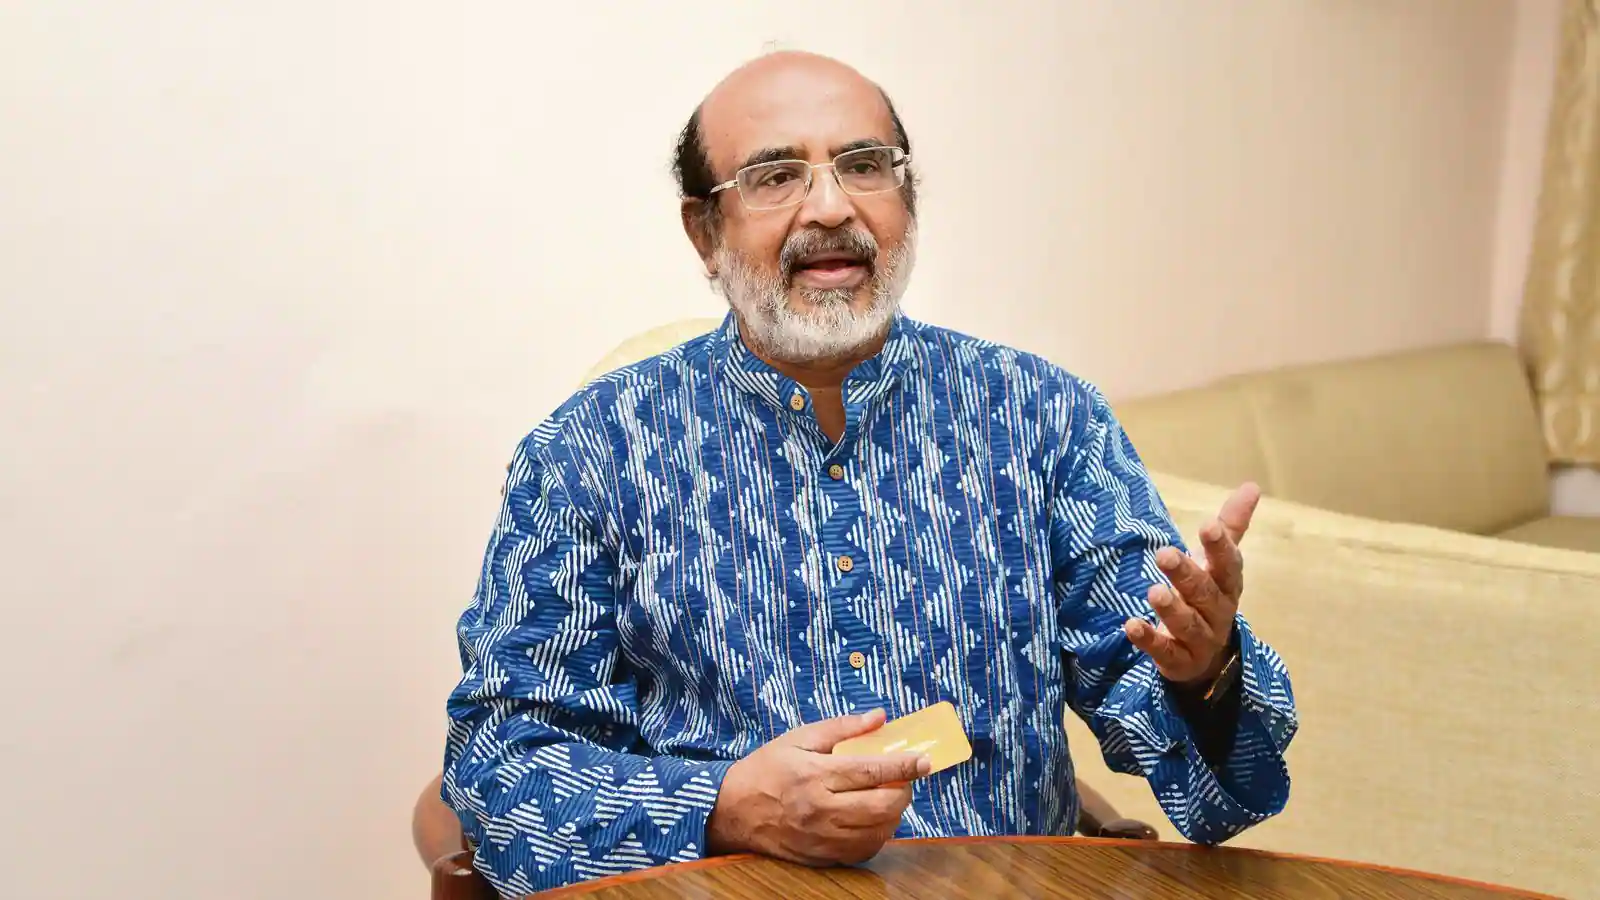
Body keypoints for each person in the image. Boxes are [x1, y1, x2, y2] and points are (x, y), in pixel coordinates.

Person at [440, 51, 1297, 897]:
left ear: (907, 198)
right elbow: (497, 767)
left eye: (863, 165)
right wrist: (723, 807)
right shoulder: (591, 452)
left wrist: (1206, 674)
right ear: (705, 232)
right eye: (776, 176)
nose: (830, 207)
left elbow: (1222, 785)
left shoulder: (1042, 417)